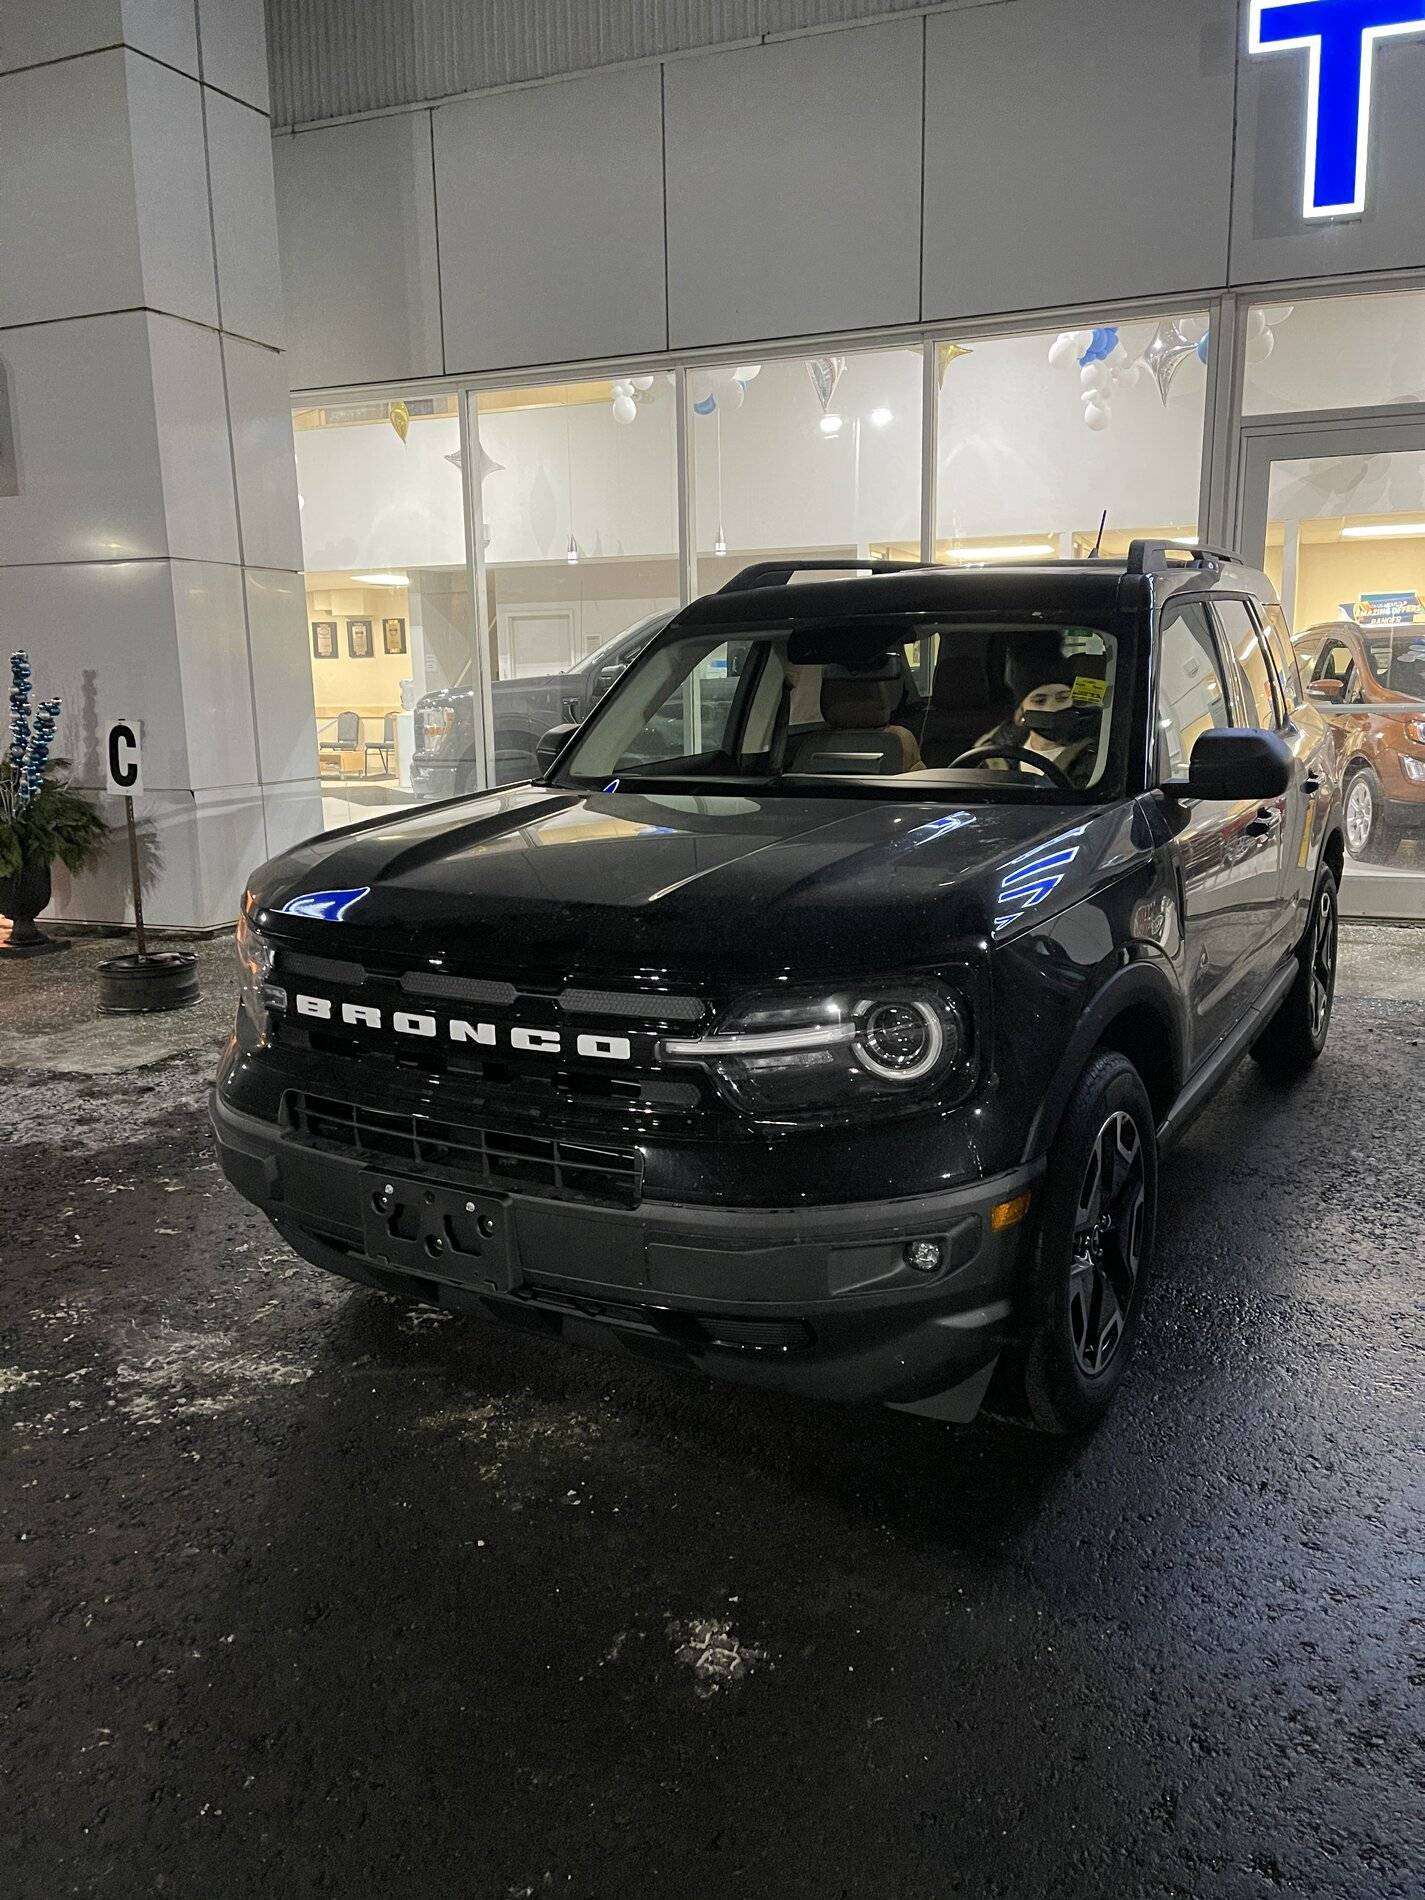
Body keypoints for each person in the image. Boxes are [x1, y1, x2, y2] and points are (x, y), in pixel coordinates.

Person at [972, 656, 1104, 788]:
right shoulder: (993, 752)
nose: (1052, 708)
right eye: (1039, 701)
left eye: (1063, 698)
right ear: (1020, 711)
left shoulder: (1095, 757)